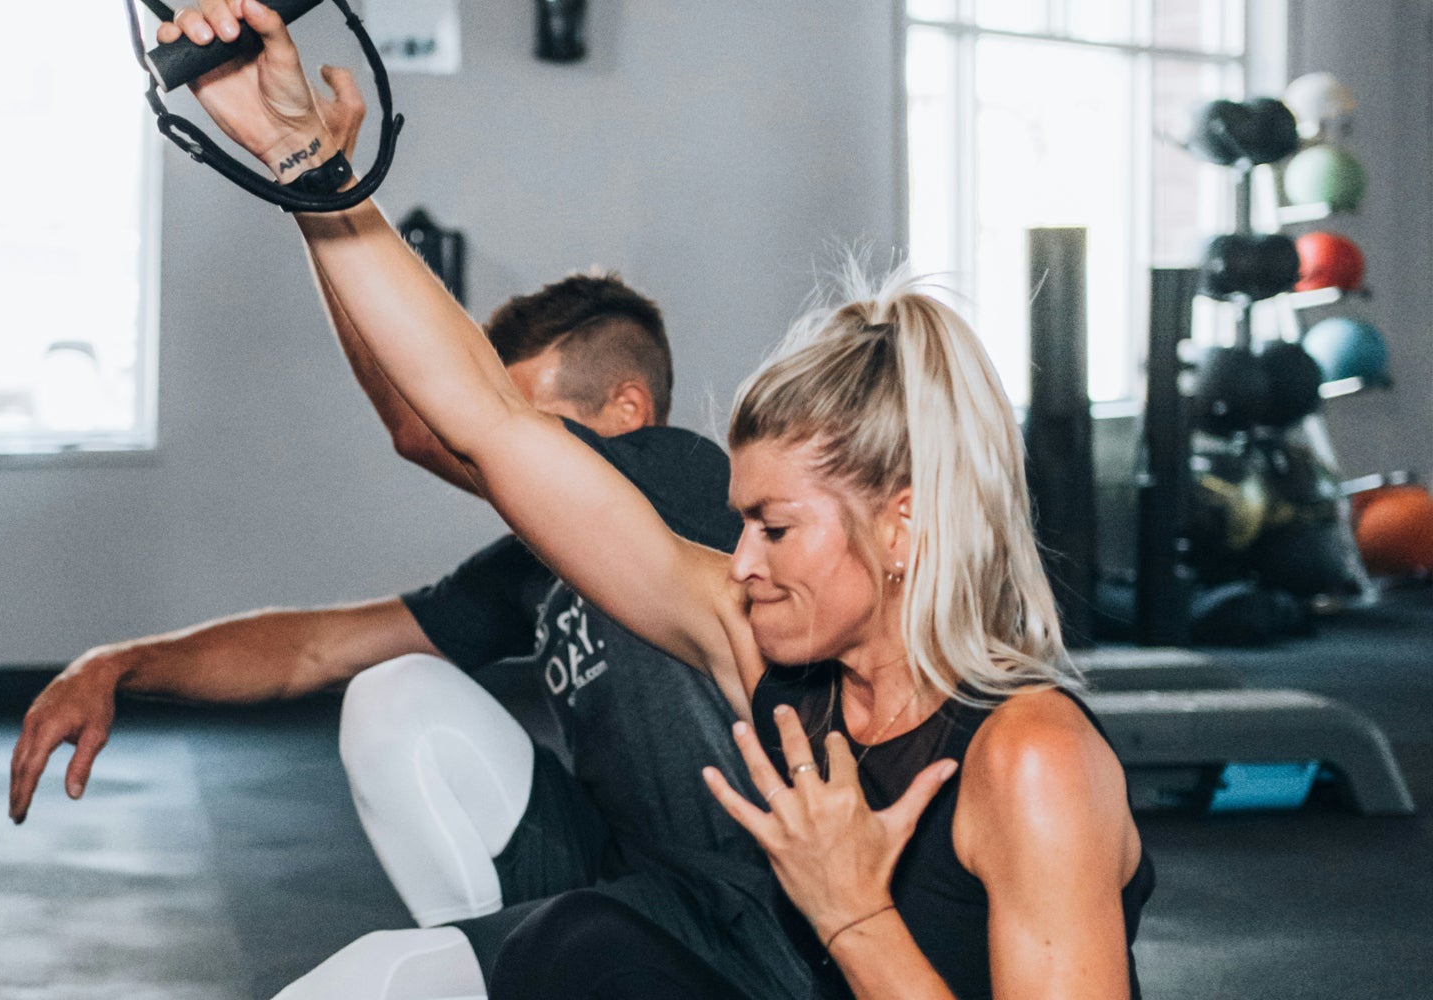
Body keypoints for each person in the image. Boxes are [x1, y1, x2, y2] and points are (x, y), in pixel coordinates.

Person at [155, 3, 1155, 997]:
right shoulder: (764, 644)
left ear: (901, 523)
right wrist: (301, 163)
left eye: (773, 527)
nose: (741, 557)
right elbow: (485, 424)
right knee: (385, 981)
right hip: (746, 965)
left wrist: (852, 912)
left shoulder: (1030, 761)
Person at [10, 270, 810, 995]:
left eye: (537, 426)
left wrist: (312, 188)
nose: (517, 465)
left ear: (627, 410)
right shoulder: (535, 566)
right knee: (392, 693)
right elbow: (312, 651)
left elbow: (432, 431)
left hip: (747, 915)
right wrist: (120, 664)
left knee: (378, 982)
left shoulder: (682, 473)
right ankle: (522, 962)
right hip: (623, 880)